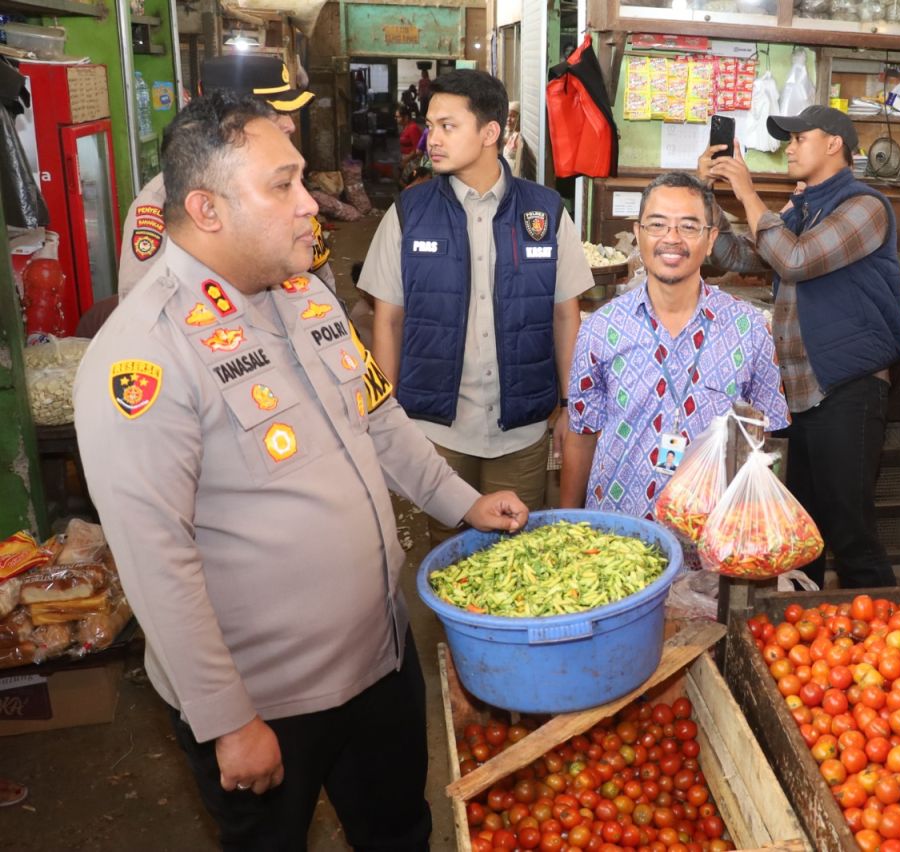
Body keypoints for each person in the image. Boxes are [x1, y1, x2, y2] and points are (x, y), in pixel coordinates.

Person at [74, 91, 529, 850]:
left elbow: (380, 420)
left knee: (398, 832)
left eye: (302, 181)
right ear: (207, 209)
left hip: (381, 661)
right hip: (270, 704)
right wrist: (227, 721)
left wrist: (461, 503)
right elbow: (157, 559)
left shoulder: (304, 295)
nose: (309, 205)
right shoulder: (143, 357)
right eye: (281, 185)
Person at [360, 70, 593, 547]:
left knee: (515, 549)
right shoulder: (409, 212)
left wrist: (571, 405)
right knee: (448, 552)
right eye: (431, 126)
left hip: (521, 429)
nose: (432, 139)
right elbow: (389, 318)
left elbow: (566, 313)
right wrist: (384, 416)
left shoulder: (545, 213)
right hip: (436, 429)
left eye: (448, 126)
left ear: (490, 133)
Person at [700, 105, 900, 589]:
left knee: (850, 530)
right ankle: (808, 640)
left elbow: (793, 259)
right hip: (799, 393)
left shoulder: (866, 206)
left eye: (799, 138)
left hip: (848, 386)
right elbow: (736, 254)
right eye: (786, 140)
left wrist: (749, 194)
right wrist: (708, 193)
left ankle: (885, 640)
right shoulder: (801, 208)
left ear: (834, 143)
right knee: (801, 533)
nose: (789, 147)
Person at [561, 172, 789, 519]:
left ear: (710, 239)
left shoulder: (749, 328)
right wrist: (567, 523)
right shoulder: (600, 329)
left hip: (711, 537)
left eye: (688, 226)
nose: (672, 239)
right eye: (657, 225)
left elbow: (765, 437)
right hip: (617, 536)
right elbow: (581, 435)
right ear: (638, 234)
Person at [117, 54, 336, 299]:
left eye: (288, 112)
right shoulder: (163, 201)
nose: (290, 125)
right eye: (272, 111)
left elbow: (320, 279)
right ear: (222, 117)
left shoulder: (285, 183)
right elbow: (142, 306)